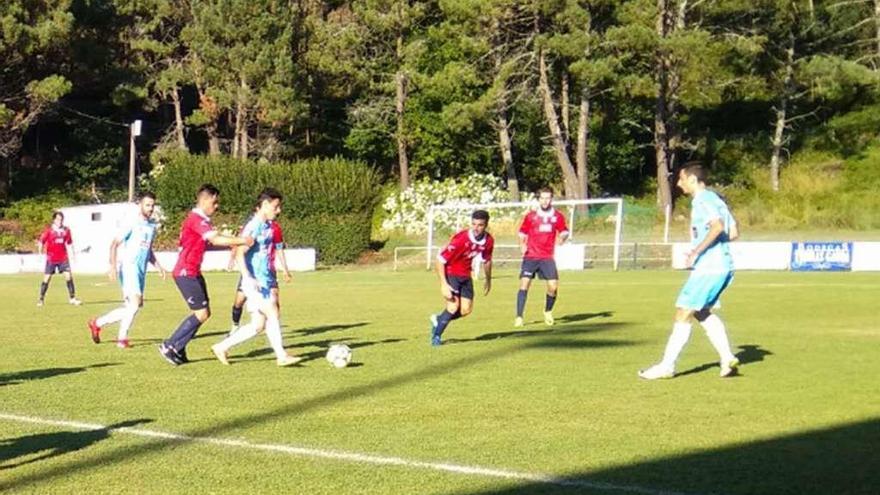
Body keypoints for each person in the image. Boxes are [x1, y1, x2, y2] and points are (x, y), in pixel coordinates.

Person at [639, 162, 740, 380]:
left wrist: (696, 251)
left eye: (681, 179)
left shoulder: (703, 200)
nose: (678, 183)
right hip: (723, 266)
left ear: (692, 180)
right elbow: (733, 232)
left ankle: (667, 366)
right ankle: (727, 357)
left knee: (683, 312)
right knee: (701, 312)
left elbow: (718, 227)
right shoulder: (717, 200)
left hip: (709, 267)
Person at [158, 184, 254, 366]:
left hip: (193, 271)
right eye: (214, 202)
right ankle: (169, 345)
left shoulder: (200, 220)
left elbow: (207, 244)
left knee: (204, 312)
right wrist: (242, 240)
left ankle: (178, 348)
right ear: (204, 200)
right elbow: (214, 238)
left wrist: (230, 244)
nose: (216, 206)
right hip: (186, 272)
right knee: (201, 313)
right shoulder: (196, 219)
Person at [210, 188, 301, 366]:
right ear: (265, 205)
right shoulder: (254, 226)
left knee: (258, 324)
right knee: (272, 310)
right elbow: (239, 253)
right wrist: (248, 278)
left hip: (264, 280)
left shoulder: (267, 225)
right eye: (276, 206)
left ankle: (221, 347)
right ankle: (281, 355)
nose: (279, 210)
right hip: (254, 281)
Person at [87, 192, 167, 348]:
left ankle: (98, 324)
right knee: (135, 305)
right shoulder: (132, 223)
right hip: (129, 268)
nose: (150, 208)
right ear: (140, 205)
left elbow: (148, 250)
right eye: (147, 205)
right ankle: (120, 339)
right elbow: (114, 244)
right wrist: (112, 266)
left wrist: (158, 266)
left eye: (152, 205)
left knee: (133, 306)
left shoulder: (151, 226)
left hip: (140, 270)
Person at [428, 210, 494, 346]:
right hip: (451, 272)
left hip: (465, 275)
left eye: (480, 225)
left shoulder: (488, 240)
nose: (476, 228)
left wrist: (488, 280)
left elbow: (487, 260)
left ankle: (439, 319)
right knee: (453, 306)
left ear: (486, 225)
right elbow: (440, 260)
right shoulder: (461, 239)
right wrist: (443, 284)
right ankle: (436, 337)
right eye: (474, 224)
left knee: (466, 310)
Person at [228, 216, 292, 335]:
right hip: (251, 272)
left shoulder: (275, 229)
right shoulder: (253, 226)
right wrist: (232, 258)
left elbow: (279, 249)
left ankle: (273, 330)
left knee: (274, 302)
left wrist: (285, 269)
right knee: (239, 301)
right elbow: (239, 245)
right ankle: (235, 326)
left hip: (268, 272)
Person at [514, 188, 569, 327]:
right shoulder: (531, 216)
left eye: (548, 198)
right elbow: (522, 233)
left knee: (553, 286)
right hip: (531, 256)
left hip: (547, 257)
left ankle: (548, 311)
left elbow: (564, 231)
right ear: (538, 200)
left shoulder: (557, 216)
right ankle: (519, 317)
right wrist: (522, 245)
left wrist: (562, 238)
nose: (545, 201)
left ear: (551, 199)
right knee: (524, 284)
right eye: (542, 198)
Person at [37, 211, 82, 306]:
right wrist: (40, 254)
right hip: (51, 258)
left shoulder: (66, 230)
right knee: (47, 278)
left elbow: (69, 243)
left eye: (61, 219)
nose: (60, 221)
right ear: (54, 220)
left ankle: (72, 298)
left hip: (63, 258)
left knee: (68, 276)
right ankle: (41, 299)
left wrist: (73, 255)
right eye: (58, 219)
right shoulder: (49, 231)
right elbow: (41, 242)